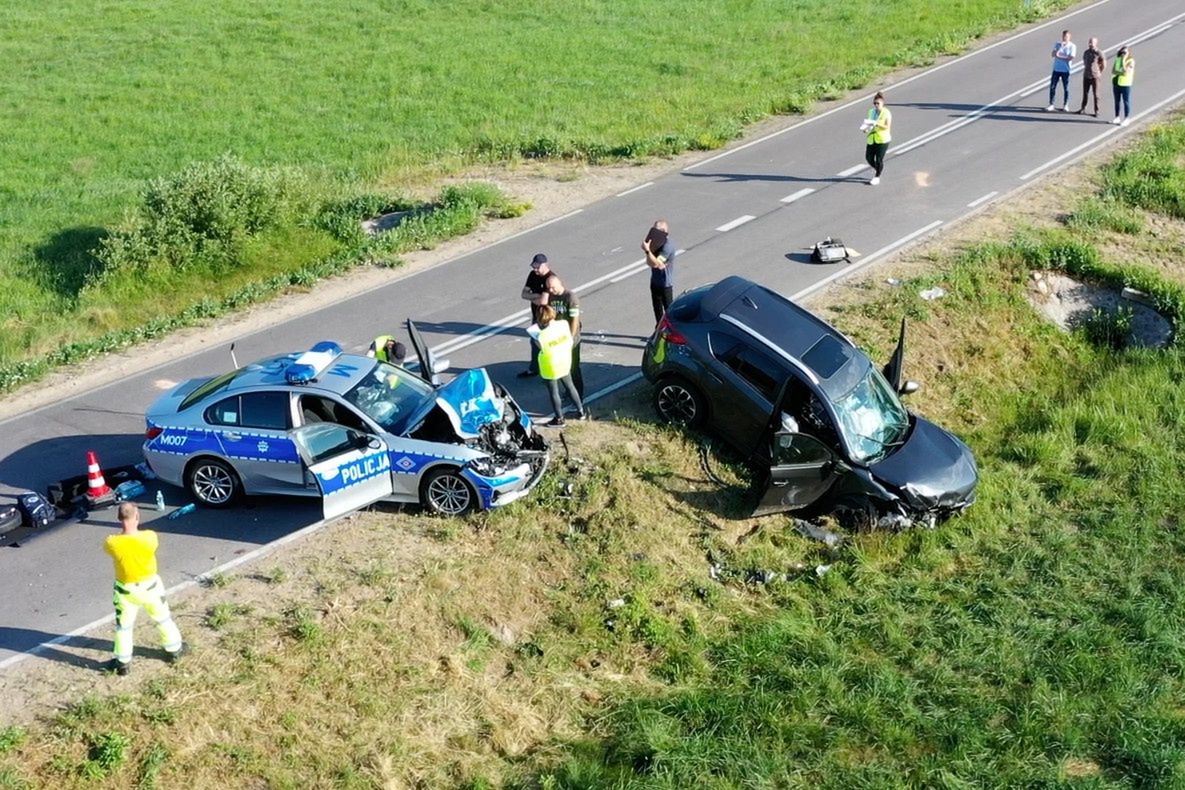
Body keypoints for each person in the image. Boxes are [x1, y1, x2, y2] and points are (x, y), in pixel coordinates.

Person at [104, 502, 184, 675]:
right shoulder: (150, 537)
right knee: (163, 619)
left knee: (124, 627)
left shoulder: (112, 542)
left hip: (126, 591)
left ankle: (123, 662)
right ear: (138, 517)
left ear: (119, 519)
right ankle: (174, 650)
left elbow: (112, 547)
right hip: (151, 588)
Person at [528, 305, 586, 426]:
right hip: (564, 360)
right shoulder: (564, 324)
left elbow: (540, 347)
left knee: (554, 392)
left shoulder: (541, 336)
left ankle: (559, 418)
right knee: (570, 386)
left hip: (550, 365)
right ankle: (581, 411)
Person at [545, 274, 584, 398]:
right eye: (549, 288)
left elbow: (575, 320)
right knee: (562, 368)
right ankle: (569, 391)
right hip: (558, 337)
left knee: (573, 367)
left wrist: (571, 339)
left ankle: (579, 394)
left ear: (559, 283)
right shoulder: (551, 297)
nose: (551, 290)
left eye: (552, 287)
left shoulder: (570, 297)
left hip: (571, 338)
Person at [517, 253, 552, 378]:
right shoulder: (533, 275)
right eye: (534, 267)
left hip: (547, 317)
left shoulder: (550, 278)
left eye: (537, 267)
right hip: (536, 315)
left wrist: (537, 298)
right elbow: (524, 294)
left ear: (544, 265)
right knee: (534, 341)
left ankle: (548, 365)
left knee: (545, 342)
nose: (535, 270)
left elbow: (543, 301)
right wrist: (536, 297)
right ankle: (535, 368)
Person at [642, 220, 676, 323]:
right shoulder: (656, 244)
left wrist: (648, 251)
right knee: (657, 309)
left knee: (669, 311)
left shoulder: (668, 246)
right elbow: (649, 263)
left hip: (665, 284)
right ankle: (658, 330)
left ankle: (672, 333)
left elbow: (656, 263)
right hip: (655, 281)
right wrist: (648, 252)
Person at [862, 92, 892, 186]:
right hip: (872, 138)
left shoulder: (886, 113)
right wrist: (866, 128)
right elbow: (869, 123)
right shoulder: (871, 111)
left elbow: (887, 126)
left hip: (883, 139)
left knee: (879, 159)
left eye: (878, 103)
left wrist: (876, 123)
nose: (876, 105)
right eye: (874, 103)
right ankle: (878, 169)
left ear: (882, 104)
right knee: (869, 158)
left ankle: (877, 176)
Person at [1046, 30, 1076, 112]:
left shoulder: (1072, 46)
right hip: (1056, 69)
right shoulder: (1058, 44)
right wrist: (1059, 49)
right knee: (1052, 86)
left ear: (1069, 37)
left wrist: (1059, 56)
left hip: (1065, 70)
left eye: (1066, 36)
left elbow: (1070, 57)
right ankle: (1051, 104)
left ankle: (1065, 104)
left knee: (1066, 88)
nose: (1064, 38)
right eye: (1063, 36)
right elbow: (1053, 54)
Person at [1076, 37, 1105, 117]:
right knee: (1085, 93)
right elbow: (1084, 62)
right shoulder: (1086, 52)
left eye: (1092, 42)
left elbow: (1103, 64)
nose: (1090, 44)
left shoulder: (1099, 53)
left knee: (1096, 94)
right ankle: (1083, 108)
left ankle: (1097, 111)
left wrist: (1099, 72)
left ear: (1096, 43)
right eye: (1089, 42)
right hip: (1086, 75)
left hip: (1095, 76)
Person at [1111, 45, 1134, 126]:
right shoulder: (1118, 59)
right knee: (1117, 101)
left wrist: (1123, 60)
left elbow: (1125, 72)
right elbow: (1113, 71)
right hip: (1116, 82)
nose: (1123, 54)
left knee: (1126, 101)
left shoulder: (1130, 61)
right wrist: (1120, 71)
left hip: (1126, 84)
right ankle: (1117, 117)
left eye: (1125, 52)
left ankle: (1127, 118)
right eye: (1122, 52)